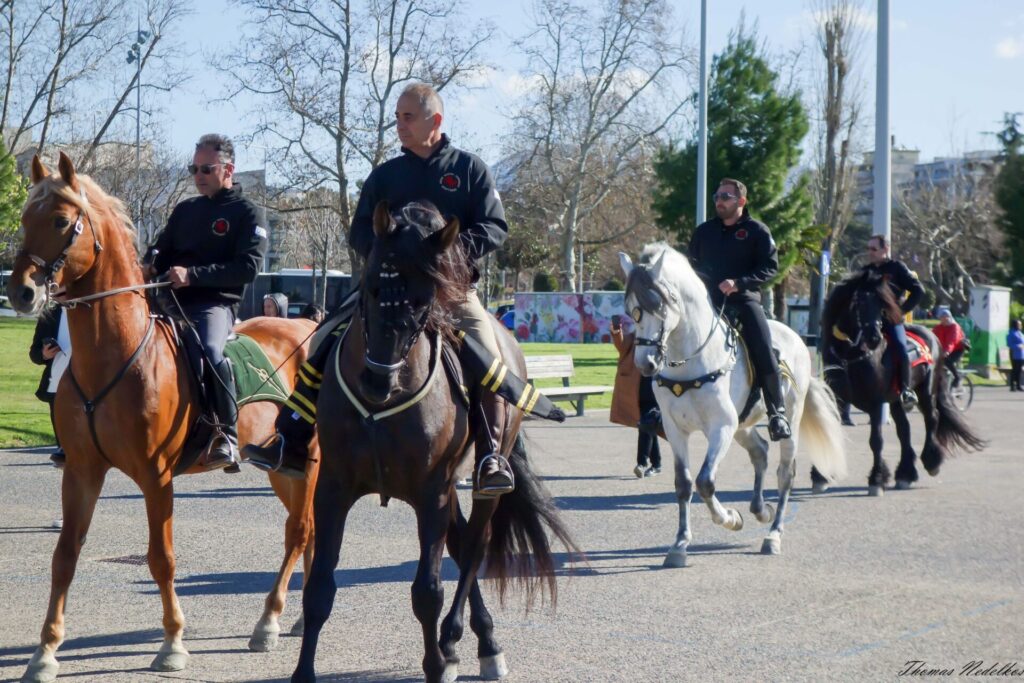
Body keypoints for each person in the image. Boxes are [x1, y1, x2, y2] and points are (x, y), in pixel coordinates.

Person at [244, 83, 520, 494]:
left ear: (435, 121)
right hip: (386, 294)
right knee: (322, 338)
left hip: (451, 294)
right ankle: (292, 438)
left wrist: (444, 254)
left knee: (489, 348)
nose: (400, 125)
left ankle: (491, 456)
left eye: (407, 117)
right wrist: (385, 257)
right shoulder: (385, 175)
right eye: (397, 117)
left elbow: (495, 227)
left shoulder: (469, 169)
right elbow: (359, 233)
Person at [145, 133, 268, 470]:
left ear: (229, 169)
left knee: (211, 353)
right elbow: (160, 249)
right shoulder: (185, 209)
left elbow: (247, 268)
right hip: (166, 301)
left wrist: (193, 276)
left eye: (206, 168)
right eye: (193, 168)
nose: (198, 175)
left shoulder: (247, 213)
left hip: (213, 305)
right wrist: (150, 263)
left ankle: (225, 434)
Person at [687, 178, 791, 441]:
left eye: (726, 196)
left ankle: (777, 412)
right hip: (707, 304)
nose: (719, 200)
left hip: (743, 301)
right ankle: (657, 407)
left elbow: (769, 267)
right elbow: (692, 264)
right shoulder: (703, 232)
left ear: (741, 201)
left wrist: (739, 283)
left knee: (764, 348)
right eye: (717, 196)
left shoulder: (757, 231)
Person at [861, 235, 925, 410]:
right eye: (868, 248)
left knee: (901, 347)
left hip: (891, 320)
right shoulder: (865, 270)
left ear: (885, 249)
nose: (870, 252)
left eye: (874, 249)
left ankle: (906, 390)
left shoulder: (897, 268)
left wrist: (901, 311)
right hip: (868, 321)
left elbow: (918, 290)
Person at [610, 317, 662, 478]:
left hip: (656, 391)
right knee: (647, 425)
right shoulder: (634, 337)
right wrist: (616, 330)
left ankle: (642, 462)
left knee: (647, 423)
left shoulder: (661, 338)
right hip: (637, 391)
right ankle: (657, 464)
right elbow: (621, 345)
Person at [30, 304, 71, 467]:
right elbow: (34, 354)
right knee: (64, 447)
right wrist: (44, 354)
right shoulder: (50, 315)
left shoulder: (91, 309)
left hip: (89, 386)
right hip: (56, 385)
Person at [933, 307, 969, 388]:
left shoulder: (955, 327)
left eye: (943, 317)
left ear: (948, 317)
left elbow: (952, 342)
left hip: (957, 349)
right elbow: (932, 335)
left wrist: (947, 352)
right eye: (940, 318)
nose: (941, 320)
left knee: (947, 361)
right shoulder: (939, 327)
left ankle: (957, 378)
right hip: (944, 349)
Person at [1008, 319, 1024, 392]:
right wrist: (1018, 346)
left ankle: (1018, 385)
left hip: (1021, 354)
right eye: (1019, 324)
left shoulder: (1020, 333)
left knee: (1019, 370)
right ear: (1015, 325)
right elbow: (1009, 344)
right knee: (1015, 370)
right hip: (1015, 354)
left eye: (1020, 324)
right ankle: (1012, 385)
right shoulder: (1012, 333)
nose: (1020, 326)